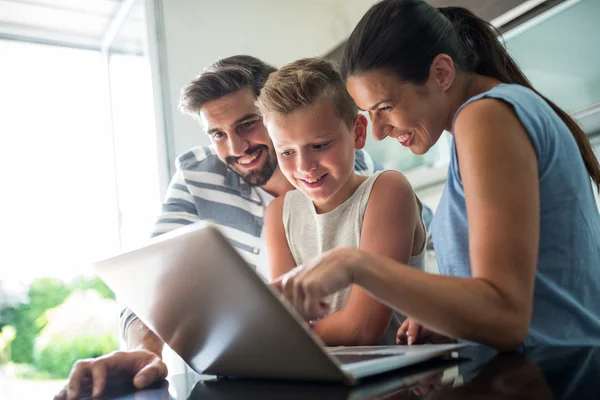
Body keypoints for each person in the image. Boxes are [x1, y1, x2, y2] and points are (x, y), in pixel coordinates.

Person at [274, 0, 600, 350]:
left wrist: (354, 264)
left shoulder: (485, 117)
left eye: (385, 107)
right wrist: (445, 318)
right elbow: (519, 298)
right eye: (371, 113)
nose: (380, 132)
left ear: (442, 73)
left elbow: (506, 315)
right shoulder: (494, 115)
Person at [55, 55, 382, 400]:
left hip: (353, 372)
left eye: (246, 125)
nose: (236, 148)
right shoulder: (198, 176)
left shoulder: (344, 163)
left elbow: (411, 255)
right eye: (218, 134)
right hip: (255, 379)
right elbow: (147, 282)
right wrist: (147, 350)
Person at [257, 58, 426, 346]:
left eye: (319, 145)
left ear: (358, 132)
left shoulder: (387, 190)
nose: (305, 166)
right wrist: (282, 335)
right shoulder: (279, 213)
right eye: (287, 153)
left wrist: (278, 341)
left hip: (397, 383)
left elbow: (362, 329)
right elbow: (287, 318)